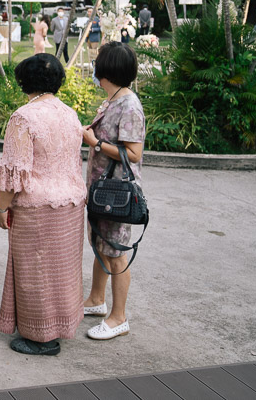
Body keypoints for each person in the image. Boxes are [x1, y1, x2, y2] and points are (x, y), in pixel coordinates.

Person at [0, 54, 86, 356]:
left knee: (37, 271)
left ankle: (41, 338)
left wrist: (1, 207)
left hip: (37, 208)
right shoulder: (70, 114)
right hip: (70, 205)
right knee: (63, 270)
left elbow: (14, 170)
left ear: (24, 82)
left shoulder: (24, 117)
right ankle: (63, 324)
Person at [81, 41, 145, 341]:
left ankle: (119, 317)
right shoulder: (113, 98)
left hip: (116, 195)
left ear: (107, 70)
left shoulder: (129, 105)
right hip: (101, 191)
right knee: (101, 245)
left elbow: (133, 153)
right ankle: (96, 299)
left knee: (116, 252)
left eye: (98, 63)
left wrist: (95, 142)